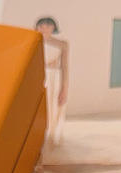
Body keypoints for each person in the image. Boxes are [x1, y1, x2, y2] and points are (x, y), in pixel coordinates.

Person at [35, 16, 69, 147]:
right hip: (39, 77)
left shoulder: (62, 44)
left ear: (53, 27)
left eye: (48, 25)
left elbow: (65, 67)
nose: (44, 28)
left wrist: (64, 88)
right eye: (41, 26)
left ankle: (50, 139)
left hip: (54, 79)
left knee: (53, 108)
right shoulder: (34, 43)